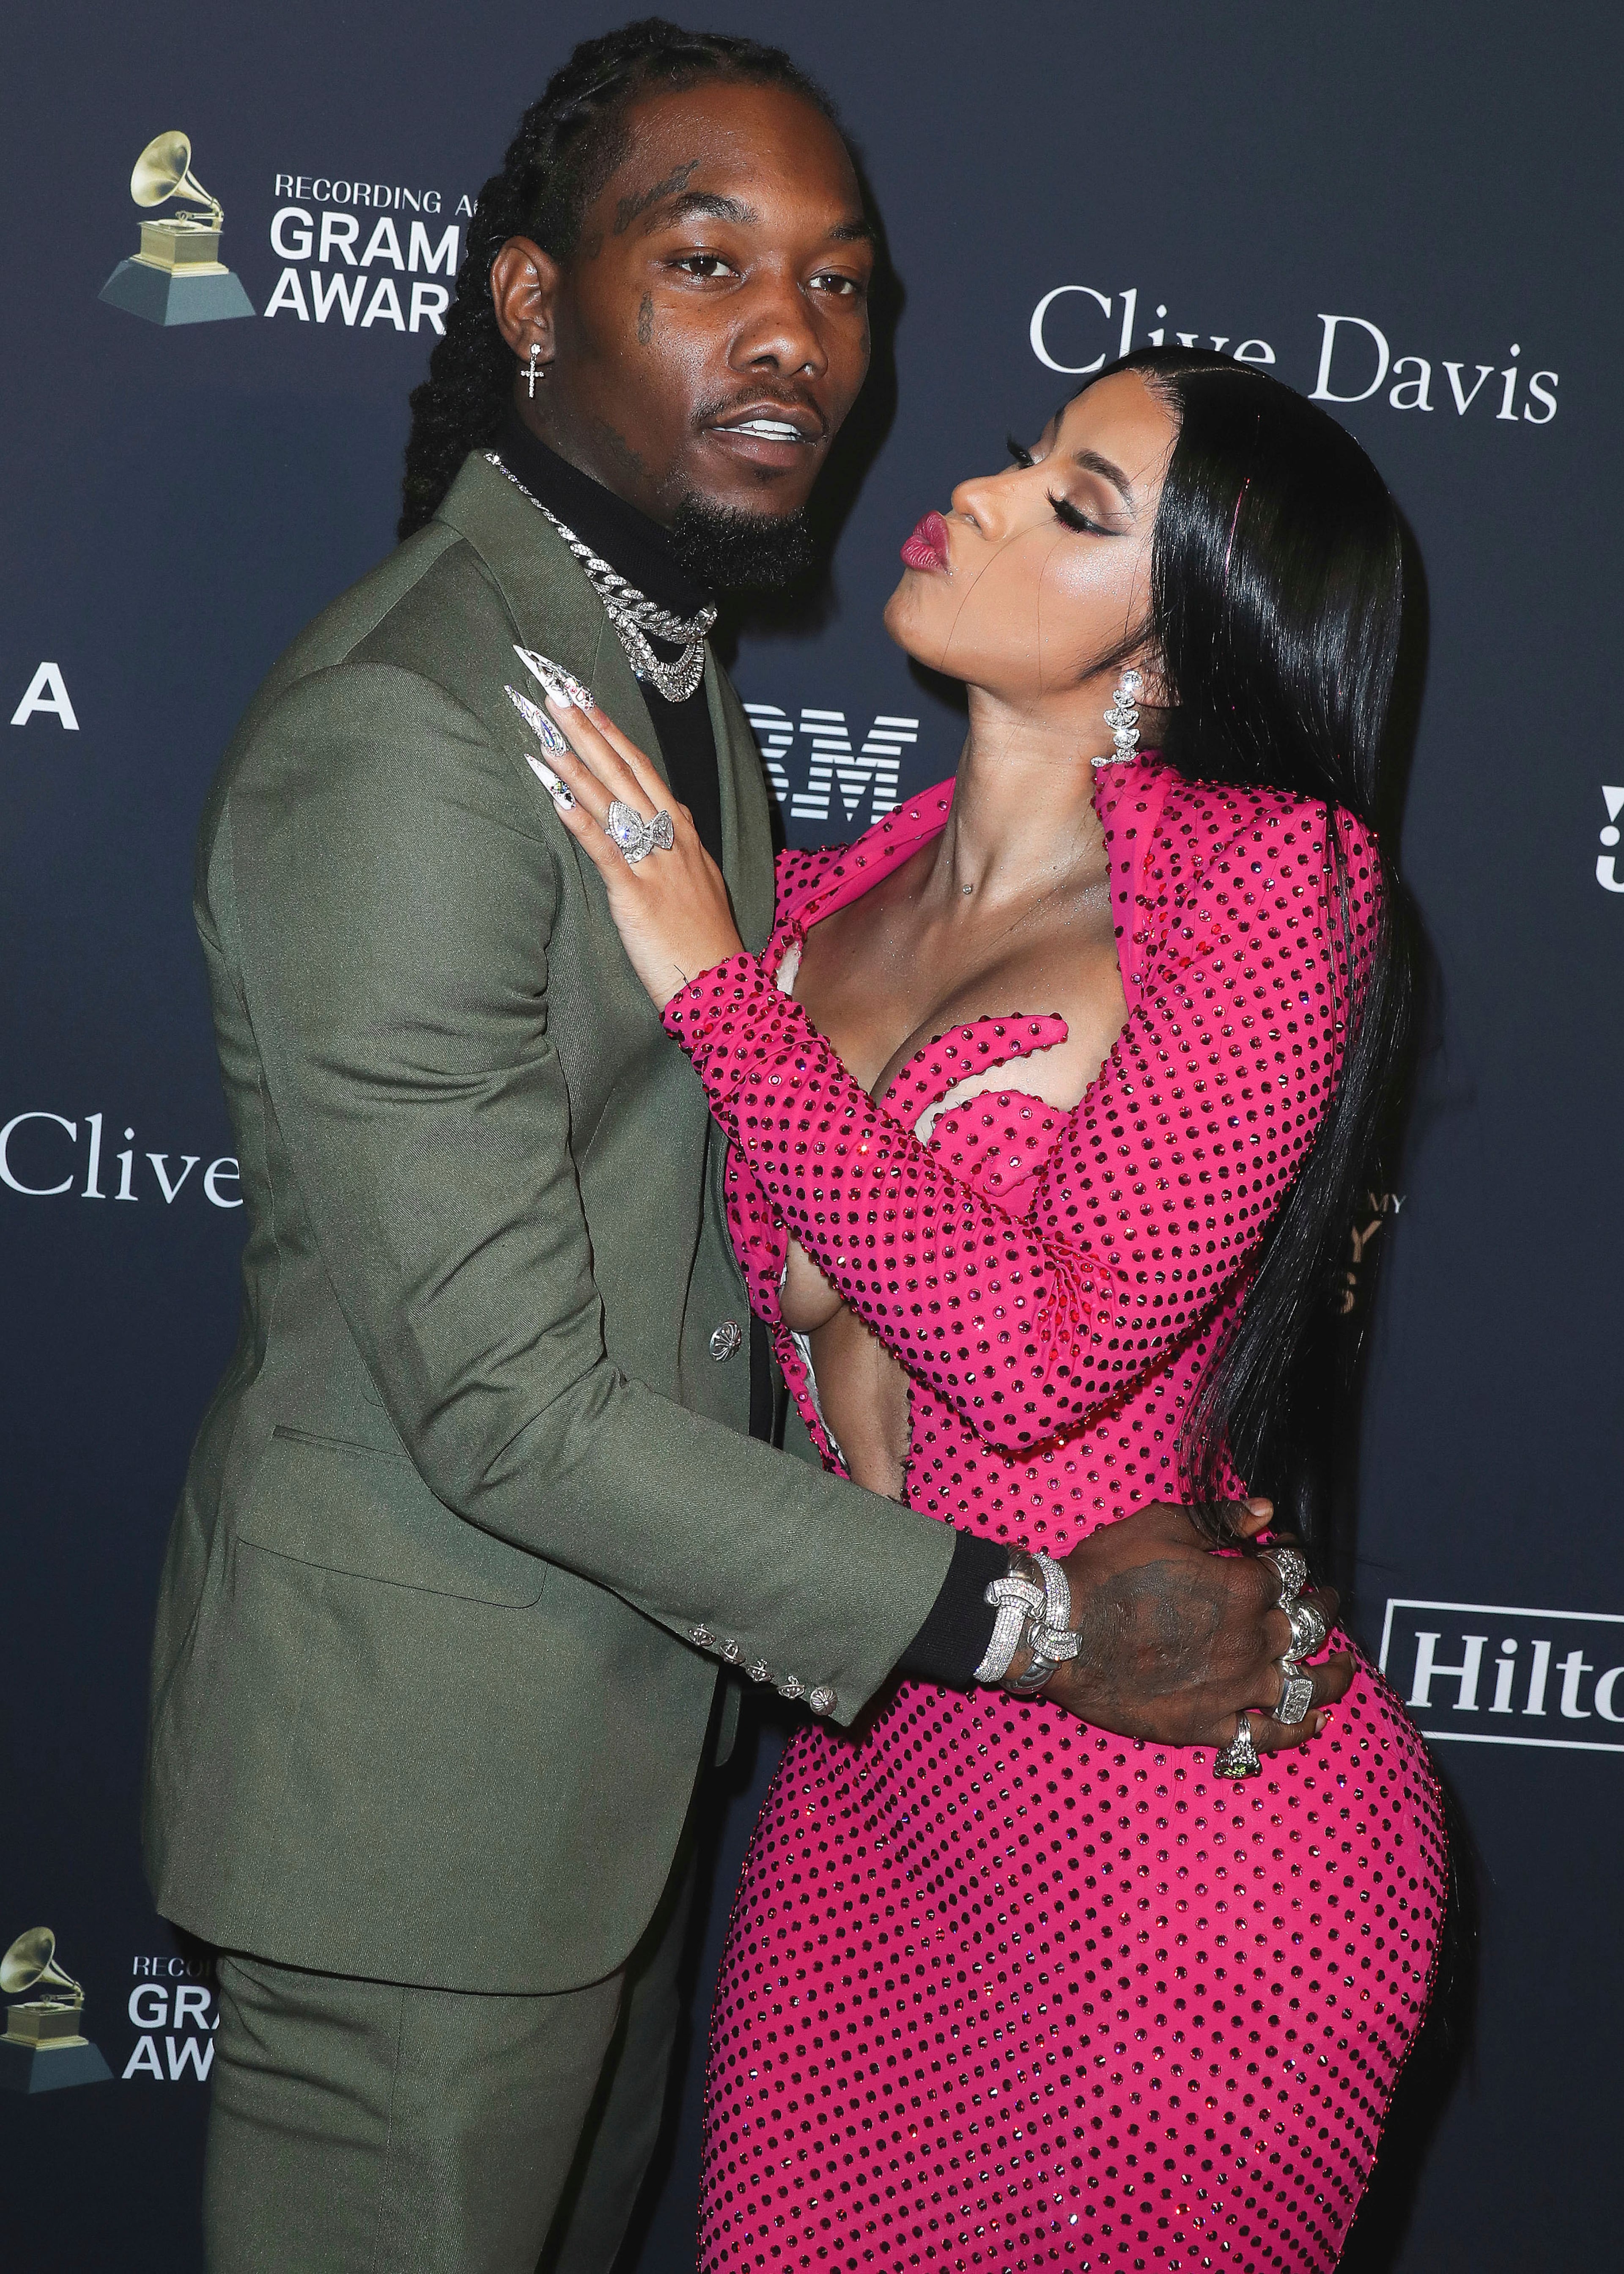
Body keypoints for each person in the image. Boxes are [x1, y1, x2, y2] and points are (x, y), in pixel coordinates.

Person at [143, 15, 1347, 2266]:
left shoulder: (662, 692)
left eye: (842, 279)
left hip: (640, 1764)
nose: (794, 331)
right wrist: (1026, 1617)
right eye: (707, 264)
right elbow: (504, 1402)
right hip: (425, 1814)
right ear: (533, 303)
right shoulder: (420, 730)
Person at [535, 345, 1449, 2271]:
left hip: (1182, 1858)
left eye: (1081, 505)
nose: (995, 492)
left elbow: (1043, 1350)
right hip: (873, 1806)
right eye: (1031, 455)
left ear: (1178, 653)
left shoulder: (1281, 886)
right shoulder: (815, 901)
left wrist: (717, 1001)